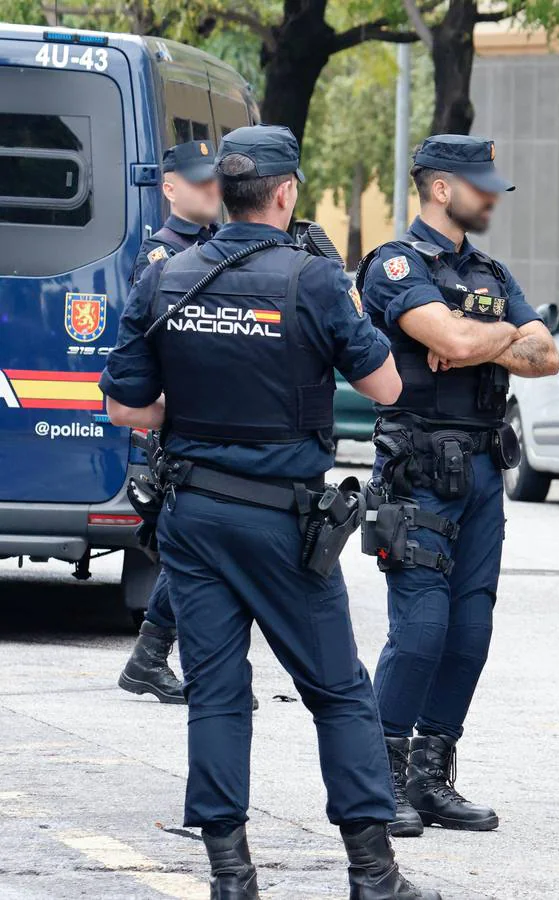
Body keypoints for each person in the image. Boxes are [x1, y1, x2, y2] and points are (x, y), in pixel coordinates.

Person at [100, 125, 438, 900]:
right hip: (285, 527)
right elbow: (387, 389)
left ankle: (230, 877)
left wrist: (189, 410)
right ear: (287, 193)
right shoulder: (315, 281)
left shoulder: (165, 278)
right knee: (340, 691)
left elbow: (126, 408)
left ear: (221, 189)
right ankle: (373, 875)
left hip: (194, 519)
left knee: (217, 693)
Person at [360, 135, 559, 840]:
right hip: (416, 469)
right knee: (420, 630)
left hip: (480, 469)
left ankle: (431, 777)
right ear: (441, 187)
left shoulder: (492, 272)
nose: (492, 195)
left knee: (470, 632)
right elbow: (452, 335)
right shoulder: (393, 264)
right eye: (480, 184)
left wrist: (476, 337)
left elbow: (547, 356)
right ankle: (380, 778)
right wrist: (487, 336)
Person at [118, 139, 223, 705]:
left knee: (195, 551)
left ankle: (149, 657)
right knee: (194, 549)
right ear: (169, 187)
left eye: (216, 180)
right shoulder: (161, 259)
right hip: (181, 424)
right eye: (200, 180)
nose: (212, 189)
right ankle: (155, 657)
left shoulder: (216, 247)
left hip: (211, 420)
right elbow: (148, 349)